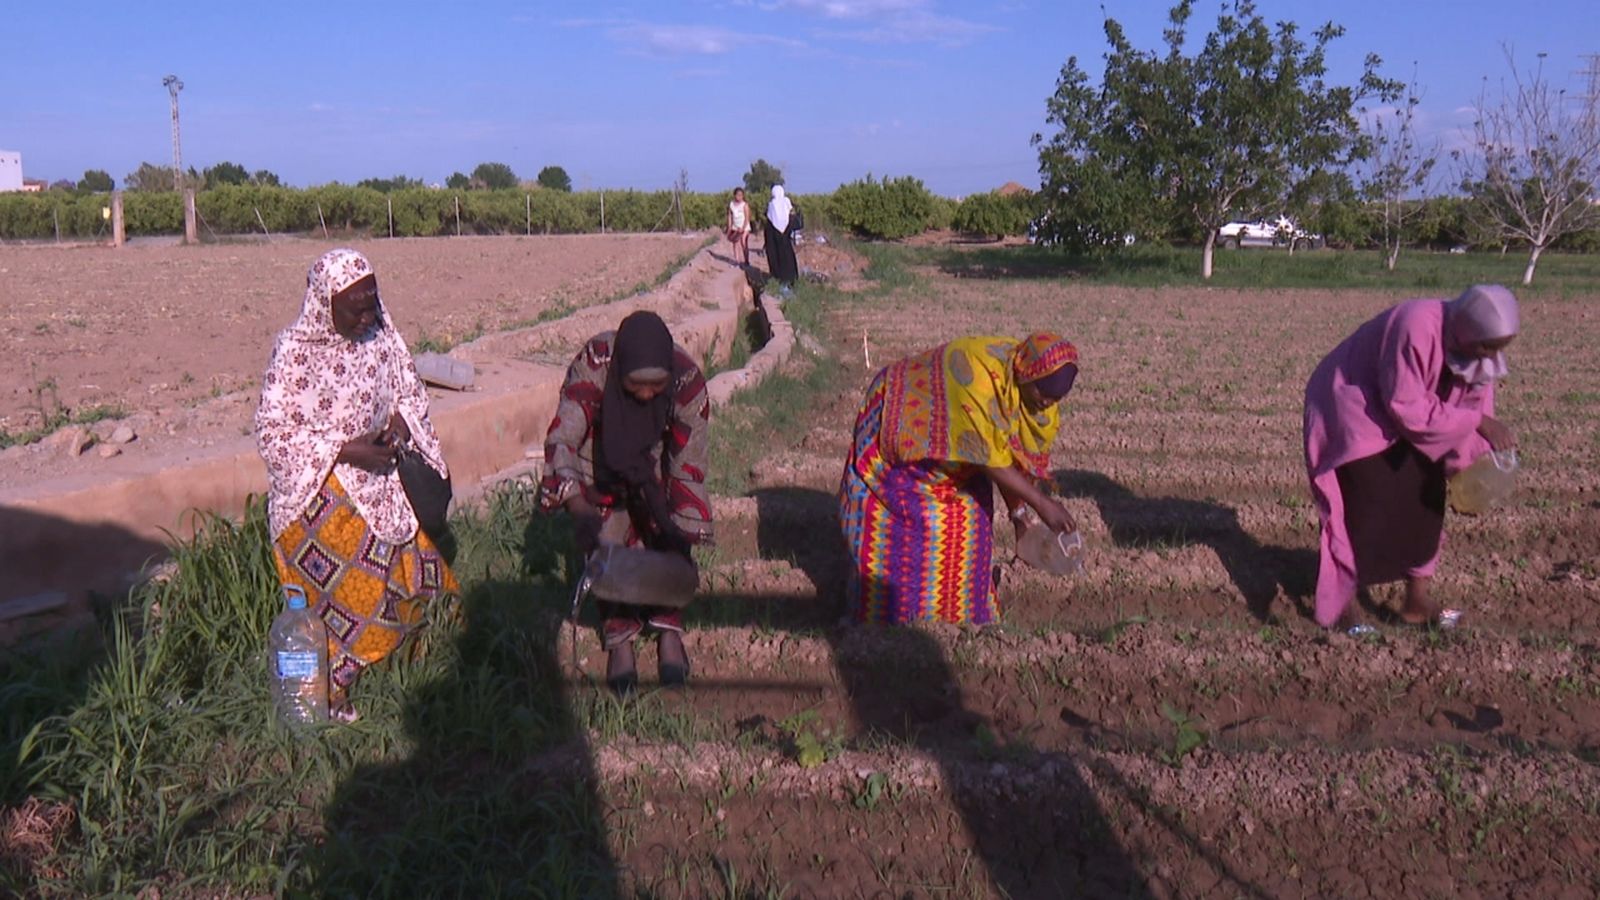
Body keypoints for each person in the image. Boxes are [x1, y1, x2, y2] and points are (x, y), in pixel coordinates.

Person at [257, 248, 458, 723]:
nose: (367, 314)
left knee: (423, 576)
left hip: (381, 481)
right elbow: (273, 434)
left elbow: (410, 394)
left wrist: (401, 429)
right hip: (316, 491)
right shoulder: (294, 351)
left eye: (372, 302)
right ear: (324, 305)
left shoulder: (381, 338)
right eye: (356, 308)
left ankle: (418, 667)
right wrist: (346, 451)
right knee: (365, 587)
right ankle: (331, 685)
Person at [1303, 284, 1519, 630]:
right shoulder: (1416, 323)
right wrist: (1477, 423)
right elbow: (1406, 405)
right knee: (1367, 501)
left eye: (1497, 348)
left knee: (1428, 497)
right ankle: (1342, 603)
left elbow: (1473, 410)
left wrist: (1467, 472)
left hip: (1415, 413)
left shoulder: (1481, 352)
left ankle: (1416, 601)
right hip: (1355, 403)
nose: (1489, 355)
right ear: (1466, 327)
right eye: (1486, 346)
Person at [839, 334, 1080, 625]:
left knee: (970, 527)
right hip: (902, 434)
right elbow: (987, 456)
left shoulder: (1030, 399)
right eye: (1043, 393)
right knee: (906, 533)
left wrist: (1020, 516)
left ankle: (963, 626)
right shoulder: (976, 376)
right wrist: (1042, 503)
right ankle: (887, 627)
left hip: (958, 448)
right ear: (1028, 374)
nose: (1046, 404)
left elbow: (1003, 454)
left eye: (1055, 400)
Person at [539, 310, 714, 693]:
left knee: (669, 535)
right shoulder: (596, 363)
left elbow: (688, 467)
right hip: (601, 457)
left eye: (657, 386)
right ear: (621, 373)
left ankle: (668, 628)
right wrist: (578, 506)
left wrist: (676, 526)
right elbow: (564, 438)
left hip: (657, 462)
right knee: (609, 544)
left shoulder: (686, 383)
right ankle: (621, 638)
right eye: (637, 385)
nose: (648, 395)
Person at [763, 184, 799, 287]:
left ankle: (778, 279)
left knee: (776, 257)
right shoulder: (786, 202)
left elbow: (769, 221)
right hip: (786, 237)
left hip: (774, 238)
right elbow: (791, 215)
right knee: (788, 257)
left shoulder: (772, 205)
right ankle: (791, 280)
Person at [726, 187, 752, 267]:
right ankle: (737, 261)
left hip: (745, 226)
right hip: (735, 226)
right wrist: (729, 227)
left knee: (743, 242)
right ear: (734, 195)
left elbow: (747, 218)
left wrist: (743, 228)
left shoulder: (745, 205)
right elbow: (730, 216)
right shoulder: (731, 204)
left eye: (741, 195)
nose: (739, 197)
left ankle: (747, 261)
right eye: (738, 195)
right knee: (735, 242)